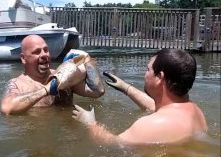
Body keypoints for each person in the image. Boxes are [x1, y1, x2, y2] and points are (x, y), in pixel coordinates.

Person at [72, 49, 207, 146]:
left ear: (159, 77)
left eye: (148, 70)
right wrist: (126, 88)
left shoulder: (149, 125)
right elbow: (158, 107)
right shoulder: (195, 111)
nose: (145, 74)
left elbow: (113, 143)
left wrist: (90, 124)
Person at [0, 35, 105, 115]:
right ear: (23, 58)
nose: (44, 55)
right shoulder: (18, 84)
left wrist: (88, 60)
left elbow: (97, 92)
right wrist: (47, 89)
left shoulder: (64, 76)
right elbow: (7, 108)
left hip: (67, 137)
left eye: (46, 50)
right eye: (37, 52)